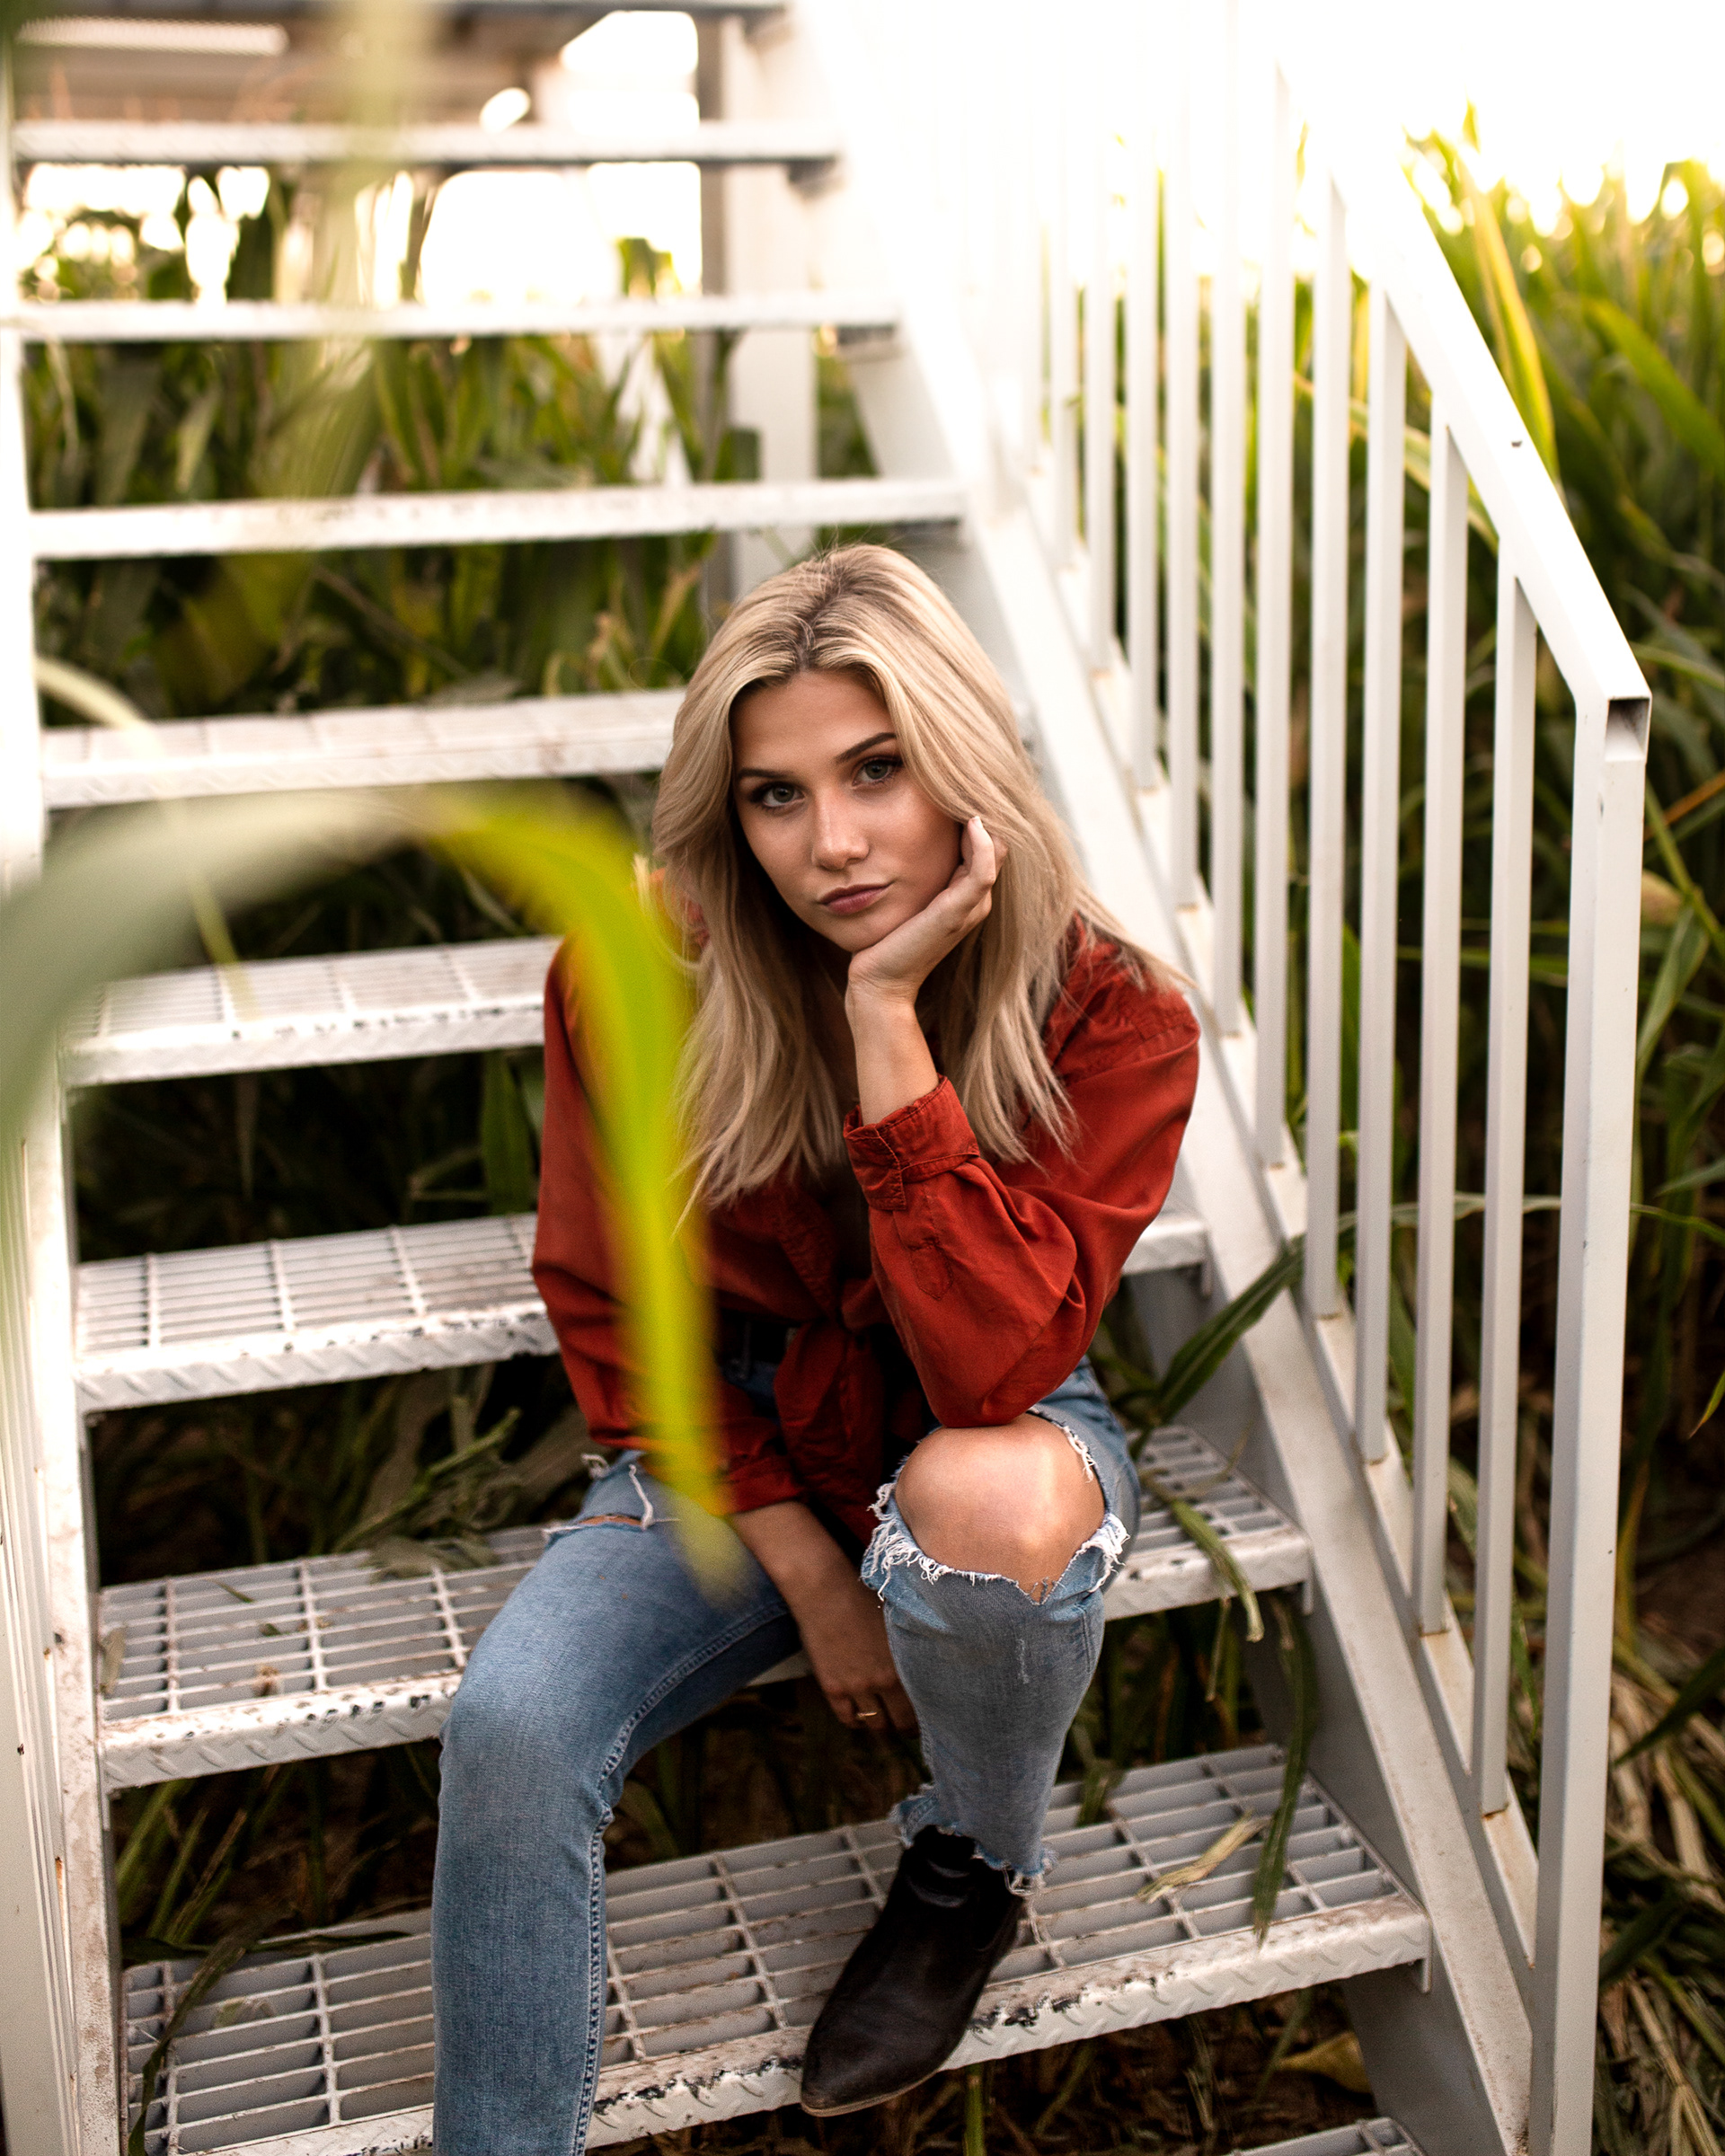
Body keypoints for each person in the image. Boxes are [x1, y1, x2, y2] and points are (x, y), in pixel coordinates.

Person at [431, 544, 1200, 2151]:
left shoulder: (1111, 1012)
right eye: (775, 797)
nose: (831, 843)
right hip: (730, 1421)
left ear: (965, 766)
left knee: (984, 1497)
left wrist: (886, 1020)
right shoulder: (642, 971)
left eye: (877, 770)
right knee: (513, 1726)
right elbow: (610, 1298)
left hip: (985, 1405)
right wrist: (811, 1575)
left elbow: (991, 1371)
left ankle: (971, 1862)